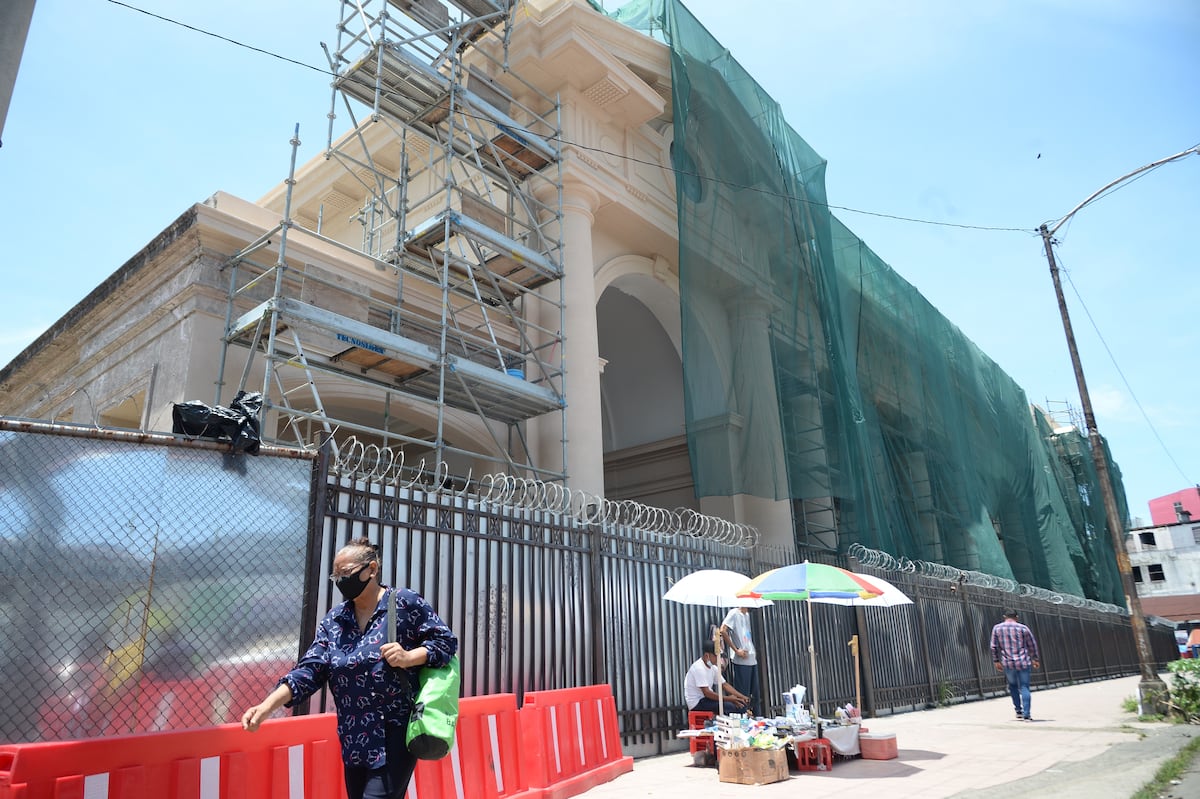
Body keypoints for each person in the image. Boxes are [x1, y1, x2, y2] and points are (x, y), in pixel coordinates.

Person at [242, 538, 458, 799]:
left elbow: (445, 642)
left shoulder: (403, 603)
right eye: (337, 575)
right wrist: (266, 706)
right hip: (354, 736)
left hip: (394, 731)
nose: (341, 581)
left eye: (347, 573)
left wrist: (409, 656)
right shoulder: (335, 620)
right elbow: (309, 670)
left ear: (372, 569)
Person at [990, 609, 1040, 721]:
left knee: (1013, 686)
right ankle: (1027, 714)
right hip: (1023, 662)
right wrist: (1035, 658)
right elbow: (1032, 644)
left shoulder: (997, 628)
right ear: (1016, 617)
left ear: (1004, 617)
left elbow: (993, 646)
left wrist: (996, 661)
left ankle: (1018, 711)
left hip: (1008, 663)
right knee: (1024, 687)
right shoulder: (1023, 628)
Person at [685, 641, 750, 714]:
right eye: (716, 656)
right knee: (730, 707)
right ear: (707, 655)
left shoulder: (713, 668)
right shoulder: (698, 668)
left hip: (706, 699)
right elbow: (707, 693)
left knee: (739, 705)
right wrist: (729, 699)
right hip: (697, 703)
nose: (719, 658)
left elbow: (725, 685)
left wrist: (742, 697)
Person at [720, 606, 762, 716]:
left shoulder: (746, 615)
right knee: (743, 695)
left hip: (751, 658)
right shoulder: (734, 613)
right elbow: (723, 630)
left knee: (756, 695)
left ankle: (758, 719)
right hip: (741, 661)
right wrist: (736, 650)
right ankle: (742, 720)